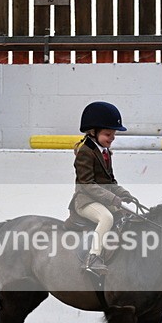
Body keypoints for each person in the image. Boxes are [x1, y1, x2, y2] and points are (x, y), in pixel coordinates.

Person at [69, 101, 138, 276]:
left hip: (101, 199)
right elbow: (87, 184)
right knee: (106, 218)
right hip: (86, 201)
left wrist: (124, 194)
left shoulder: (105, 152)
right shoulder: (85, 152)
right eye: (108, 134)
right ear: (93, 131)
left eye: (113, 135)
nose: (112, 138)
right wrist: (112, 199)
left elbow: (111, 181)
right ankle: (92, 258)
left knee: (127, 214)